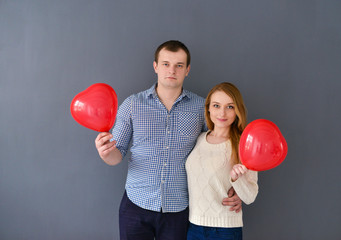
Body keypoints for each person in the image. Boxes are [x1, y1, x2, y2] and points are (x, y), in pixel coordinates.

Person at [95, 40, 242, 240]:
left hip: (179, 210)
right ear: (155, 66)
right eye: (165, 64)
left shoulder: (202, 108)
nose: (171, 70)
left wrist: (238, 187)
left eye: (179, 65)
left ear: (187, 70)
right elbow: (116, 155)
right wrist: (105, 152)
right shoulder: (132, 105)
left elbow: (222, 146)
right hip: (136, 205)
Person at [186, 82, 259, 240]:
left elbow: (250, 196)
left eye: (230, 107)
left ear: (237, 111)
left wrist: (236, 180)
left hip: (225, 230)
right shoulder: (199, 139)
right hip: (193, 226)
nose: (222, 113)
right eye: (217, 105)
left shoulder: (243, 145)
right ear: (209, 108)